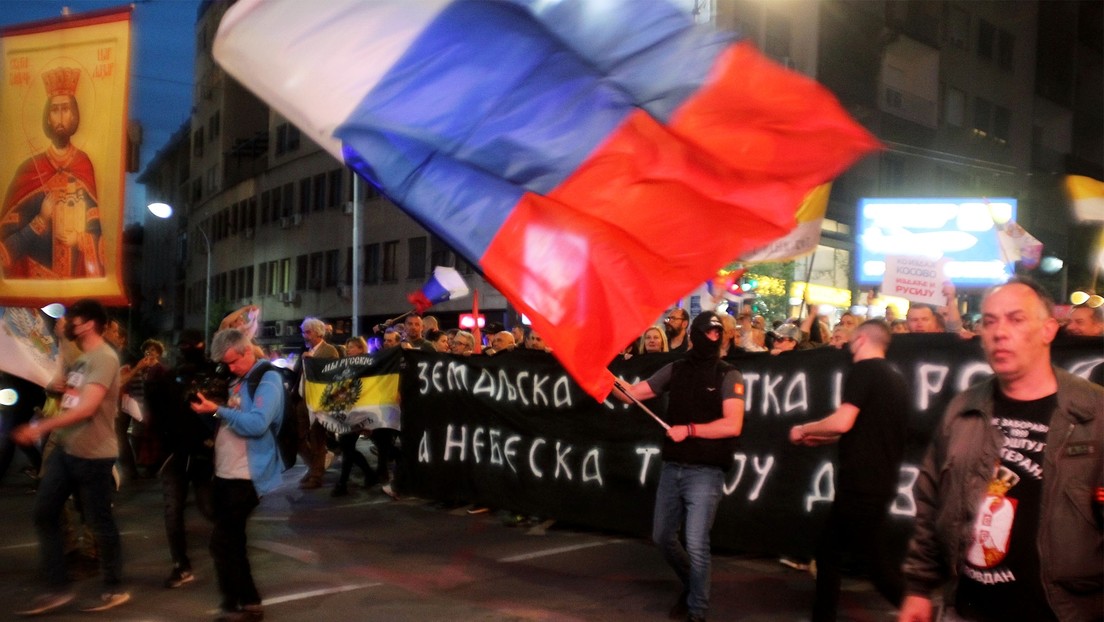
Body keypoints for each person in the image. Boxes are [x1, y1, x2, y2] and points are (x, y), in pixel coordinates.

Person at [898, 279, 1103, 622]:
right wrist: (919, 588)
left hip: (1062, 613)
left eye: (1016, 319)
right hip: (967, 610)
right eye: (989, 321)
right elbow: (931, 501)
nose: (999, 332)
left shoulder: (1093, 413)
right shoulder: (962, 409)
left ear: (1048, 330)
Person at [615, 311, 745, 622]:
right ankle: (693, 585)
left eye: (718, 333)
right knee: (662, 537)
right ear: (693, 336)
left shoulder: (729, 375)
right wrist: (603, 379)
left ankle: (697, 611)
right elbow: (633, 395)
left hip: (706, 472)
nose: (712, 338)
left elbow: (733, 424)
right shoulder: (675, 369)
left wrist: (689, 430)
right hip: (673, 467)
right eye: (708, 333)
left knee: (697, 544)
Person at [12, 298, 129, 615]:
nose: (67, 323)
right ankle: (58, 587)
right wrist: (63, 350)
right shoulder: (82, 359)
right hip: (67, 449)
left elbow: (87, 408)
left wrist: (40, 428)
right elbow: (68, 393)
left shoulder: (104, 358)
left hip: (93, 454)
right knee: (44, 513)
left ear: (89, 323)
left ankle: (113, 587)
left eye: (73, 319)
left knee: (99, 522)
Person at [789, 320, 907, 621]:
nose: (847, 345)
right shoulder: (895, 380)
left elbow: (843, 421)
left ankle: (920, 612)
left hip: (861, 483)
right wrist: (822, 438)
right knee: (830, 549)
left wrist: (804, 428)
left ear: (863, 339)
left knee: (876, 565)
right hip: (877, 481)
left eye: (852, 339)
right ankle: (823, 614)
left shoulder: (864, 371)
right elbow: (864, 429)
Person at [189, 329, 284, 622]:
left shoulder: (267, 379)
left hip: (247, 477)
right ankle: (245, 602)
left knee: (223, 542)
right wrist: (207, 410)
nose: (228, 368)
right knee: (232, 541)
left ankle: (237, 603)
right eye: (225, 364)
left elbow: (256, 424)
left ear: (246, 352)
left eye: (232, 362)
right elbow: (225, 423)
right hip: (225, 473)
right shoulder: (237, 379)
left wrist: (218, 410)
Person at [1, 67, 103, 280]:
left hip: (73, 283)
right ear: (47, 117)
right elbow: (5, 246)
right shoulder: (30, 169)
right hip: (34, 283)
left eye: (65, 109)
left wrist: (79, 239)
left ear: (74, 115)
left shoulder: (84, 165)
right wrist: (41, 219)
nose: (60, 117)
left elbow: (97, 233)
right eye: (54, 110)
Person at [155, 332, 217, 590]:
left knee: (208, 507)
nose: (188, 350)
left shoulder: (213, 374)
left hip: (203, 451)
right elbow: (159, 413)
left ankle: (228, 543)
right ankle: (180, 565)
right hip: (177, 453)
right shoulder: (170, 377)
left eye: (193, 345)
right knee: (173, 510)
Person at [295, 317, 338, 489]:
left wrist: (312, 361)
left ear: (318, 333)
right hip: (301, 400)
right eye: (304, 332)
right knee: (297, 436)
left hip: (318, 402)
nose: (305, 336)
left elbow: (332, 375)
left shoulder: (329, 351)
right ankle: (314, 467)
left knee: (317, 439)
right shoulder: (306, 350)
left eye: (308, 332)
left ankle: (316, 475)